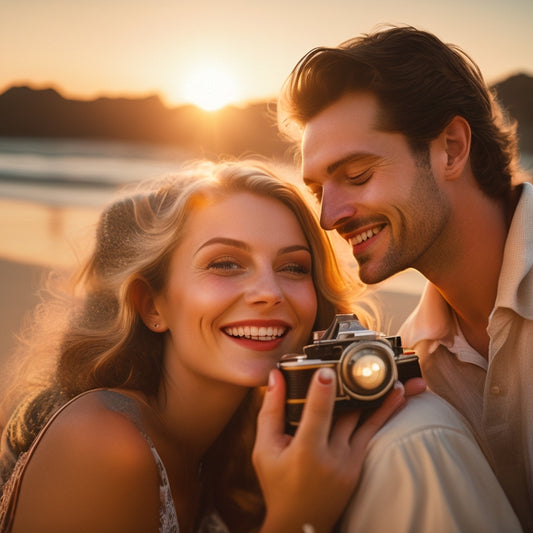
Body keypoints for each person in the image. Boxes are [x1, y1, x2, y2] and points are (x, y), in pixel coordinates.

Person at [0, 160, 520, 533]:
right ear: (151, 304)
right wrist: (298, 518)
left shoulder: (238, 445)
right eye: (225, 263)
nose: (269, 292)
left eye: (293, 267)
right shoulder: (103, 445)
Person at [278, 24, 533, 531]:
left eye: (356, 176)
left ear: (452, 148)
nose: (330, 217)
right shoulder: (413, 363)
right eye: (317, 190)